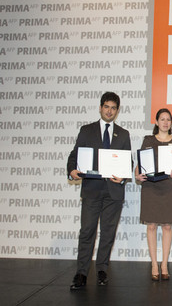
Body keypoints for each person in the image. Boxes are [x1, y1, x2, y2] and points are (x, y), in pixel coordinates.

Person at [67, 92, 131, 290]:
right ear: (100, 107)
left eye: (113, 108)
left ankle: (102, 269)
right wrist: (72, 171)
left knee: (108, 233)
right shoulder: (87, 130)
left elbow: (128, 162)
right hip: (92, 190)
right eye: (106, 106)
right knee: (87, 231)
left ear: (117, 111)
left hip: (113, 192)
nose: (109, 111)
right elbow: (74, 156)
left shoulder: (123, 134)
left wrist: (124, 175)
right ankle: (81, 273)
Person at [135, 108, 172, 281]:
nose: (165, 122)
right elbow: (140, 164)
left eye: (168, 119)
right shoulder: (148, 140)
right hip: (150, 188)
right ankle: (154, 263)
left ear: (171, 122)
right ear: (156, 122)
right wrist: (137, 174)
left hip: (169, 187)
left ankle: (164, 264)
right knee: (152, 226)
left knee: (167, 226)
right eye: (162, 119)